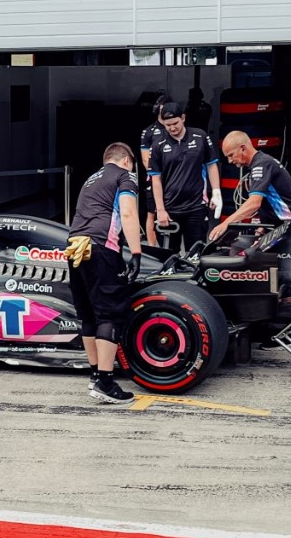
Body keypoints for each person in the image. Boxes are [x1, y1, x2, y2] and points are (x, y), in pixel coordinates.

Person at [64, 142, 143, 404]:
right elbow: (129, 213)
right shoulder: (125, 176)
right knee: (110, 313)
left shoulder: (91, 179)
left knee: (88, 314)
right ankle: (106, 382)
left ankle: (95, 374)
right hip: (101, 248)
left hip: (75, 247)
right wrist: (136, 253)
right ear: (127, 161)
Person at [209, 131, 291, 309]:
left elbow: (254, 203)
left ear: (243, 148)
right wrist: (262, 229)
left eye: (231, 155)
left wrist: (226, 223)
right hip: (281, 226)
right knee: (255, 262)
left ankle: (284, 326)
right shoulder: (257, 166)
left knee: (286, 281)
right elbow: (267, 201)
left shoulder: (261, 164)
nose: (230, 161)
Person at [148, 101, 222, 252]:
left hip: (196, 206)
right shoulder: (157, 145)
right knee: (169, 257)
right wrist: (160, 210)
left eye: (175, 123)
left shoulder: (200, 136)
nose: (172, 128)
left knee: (196, 254)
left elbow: (211, 165)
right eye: (168, 125)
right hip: (170, 209)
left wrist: (216, 192)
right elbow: (156, 180)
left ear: (183, 118)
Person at [140, 96, 169, 247]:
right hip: (154, 178)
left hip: (174, 179)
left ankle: (171, 249)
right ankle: (152, 247)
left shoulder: (176, 128)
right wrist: (157, 175)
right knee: (152, 213)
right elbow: (146, 160)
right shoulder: (149, 132)